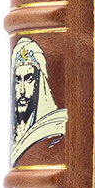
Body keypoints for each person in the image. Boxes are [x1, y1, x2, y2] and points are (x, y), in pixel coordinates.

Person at [11, 37, 68, 165]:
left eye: (29, 79)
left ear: (40, 83)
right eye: (18, 80)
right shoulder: (15, 134)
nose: (22, 90)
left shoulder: (54, 130)